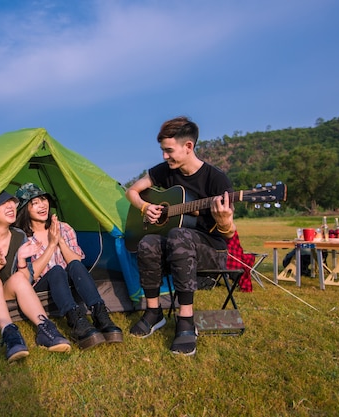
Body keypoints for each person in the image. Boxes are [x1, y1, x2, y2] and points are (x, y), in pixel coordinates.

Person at [125, 116, 235, 356]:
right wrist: (145, 207)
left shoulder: (217, 180)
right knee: (148, 242)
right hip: (178, 250)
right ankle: (153, 312)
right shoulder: (165, 172)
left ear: (188, 147)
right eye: (163, 151)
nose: (165, 156)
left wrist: (225, 221)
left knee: (178, 235)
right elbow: (131, 191)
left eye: (169, 151)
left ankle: (186, 319)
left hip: (211, 253)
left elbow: (228, 234)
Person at [0, 190, 71, 362]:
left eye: (12, 202)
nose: (11, 206)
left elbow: (26, 280)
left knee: (18, 278)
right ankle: (10, 333)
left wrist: (21, 260)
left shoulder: (19, 236)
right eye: (3, 203)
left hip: (2, 292)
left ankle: (46, 328)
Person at [14, 183, 123, 349]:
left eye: (43, 200)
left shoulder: (64, 228)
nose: (42, 205)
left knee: (76, 265)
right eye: (34, 203)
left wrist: (60, 241)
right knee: (56, 270)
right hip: (42, 287)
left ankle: (100, 314)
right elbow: (29, 276)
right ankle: (75, 321)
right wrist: (51, 246)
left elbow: (76, 261)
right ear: (25, 209)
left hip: (68, 282)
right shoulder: (22, 238)